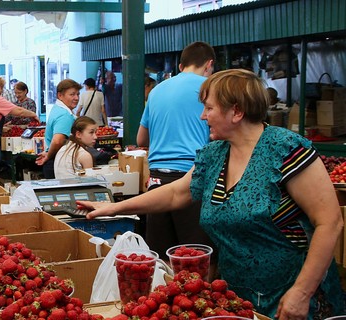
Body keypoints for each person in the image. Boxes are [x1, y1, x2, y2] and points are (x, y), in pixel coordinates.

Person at [80, 69, 344, 319]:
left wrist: (302, 291)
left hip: (291, 296)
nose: (202, 117)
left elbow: (329, 222)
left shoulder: (286, 149)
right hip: (236, 297)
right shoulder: (215, 154)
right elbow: (175, 194)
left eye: (209, 108)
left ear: (237, 112)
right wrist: (112, 208)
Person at [136, 41, 216, 260]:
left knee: (162, 259)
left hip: (157, 181)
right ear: (209, 65)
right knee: (198, 259)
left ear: (181, 66)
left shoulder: (156, 90)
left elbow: (141, 138)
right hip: (194, 177)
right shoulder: (211, 89)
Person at [36, 79, 81, 179]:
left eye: (78, 94)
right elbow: (57, 141)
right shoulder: (65, 115)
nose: (76, 98)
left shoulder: (57, 108)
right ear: (60, 95)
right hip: (57, 161)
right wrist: (48, 156)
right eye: (72, 94)